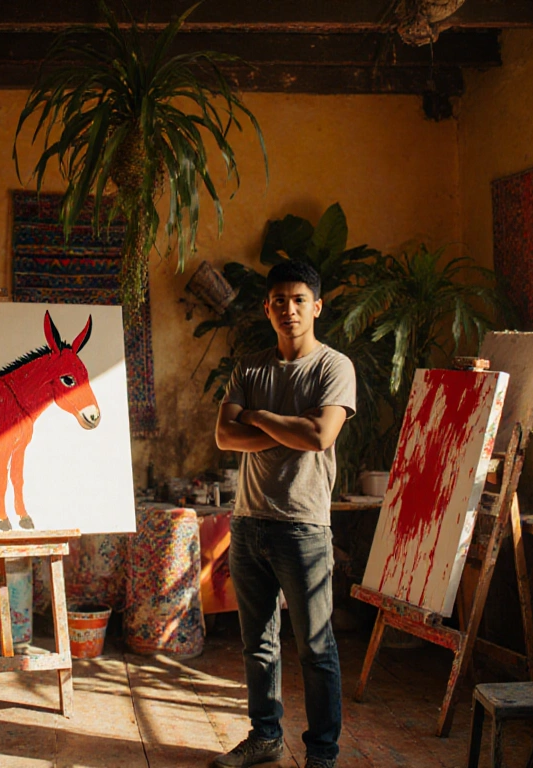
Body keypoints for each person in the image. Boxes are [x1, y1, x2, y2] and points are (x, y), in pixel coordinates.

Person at [212, 259, 355, 768]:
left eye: (298, 300)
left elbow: (319, 436)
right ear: (267, 308)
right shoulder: (249, 367)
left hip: (304, 526)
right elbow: (225, 437)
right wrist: (286, 427)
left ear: (316, 307)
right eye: (279, 301)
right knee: (259, 645)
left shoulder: (333, 367)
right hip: (248, 523)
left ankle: (322, 753)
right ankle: (266, 736)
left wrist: (257, 415)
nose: (288, 309)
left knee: (316, 648)